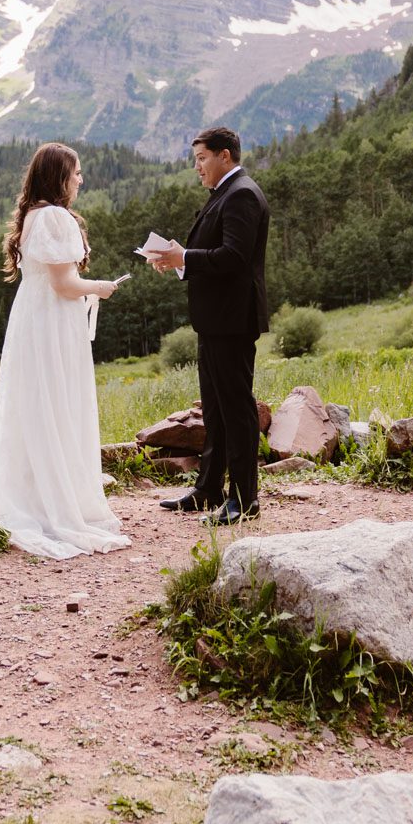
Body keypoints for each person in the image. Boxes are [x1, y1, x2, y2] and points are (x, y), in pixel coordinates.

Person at [0, 142, 132, 560]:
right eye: (76, 172)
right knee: (58, 403)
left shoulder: (32, 216)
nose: (81, 179)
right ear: (59, 176)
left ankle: (36, 497)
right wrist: (101, 288)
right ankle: (59, 505)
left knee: (37, 405)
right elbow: (64, 285)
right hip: (53, 320)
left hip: (33, 318)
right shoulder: (56, 217)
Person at [148, 126, 270, 526]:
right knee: (215, 410)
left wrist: (187, 256)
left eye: (202, 159)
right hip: (215, 320)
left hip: (233, 321)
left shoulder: (242, 195)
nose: (197, 167)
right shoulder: (224, 194)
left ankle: (243, 499)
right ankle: (208, 489)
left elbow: (234, 257)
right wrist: (178, 260)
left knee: (236, 409)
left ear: (225, 156)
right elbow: (213, 255)